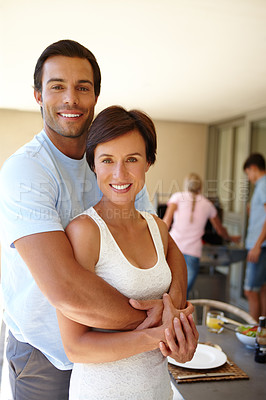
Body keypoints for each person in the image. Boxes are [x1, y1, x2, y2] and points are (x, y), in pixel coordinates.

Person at [0, 39, 196, 399]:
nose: (71, 98)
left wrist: (175, 309)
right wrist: (158, 325)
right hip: (47, 354)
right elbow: (65, 289)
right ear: (38, 95)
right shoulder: (25, 171)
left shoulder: (115, 161)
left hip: (125, 352)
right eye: (57, 86)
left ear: (95, 97)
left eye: (83, 88)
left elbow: (162, 243)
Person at [57, 105, 198, 399]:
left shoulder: (157, 227)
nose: (119, 173)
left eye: (132, 159)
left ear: (148, 162)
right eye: (107, 160)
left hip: (158, 391)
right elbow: (76, 346)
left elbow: (177, 279)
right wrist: (160, 334)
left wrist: (181, 344)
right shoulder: (85, 231)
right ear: (93, 164)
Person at [163, 173, 240, 295]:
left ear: (186, 185)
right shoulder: (208, 204)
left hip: (173, 250)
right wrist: (231, 238)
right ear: (200, 187)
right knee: (183, 295)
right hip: (193, 253)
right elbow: (220, 230)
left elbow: (165, 223)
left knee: (168, 293)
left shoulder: (177, 197)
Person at [243, 153, 266, 321]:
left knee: (250, 290)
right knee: (263, 289)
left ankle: (254, 333)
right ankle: (262, 333)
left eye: (248, 173)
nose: (249, 178)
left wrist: (257, 245)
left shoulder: (263, 184)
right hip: (261, 244)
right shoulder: (261, 186)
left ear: (253, 168)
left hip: (260, 245)